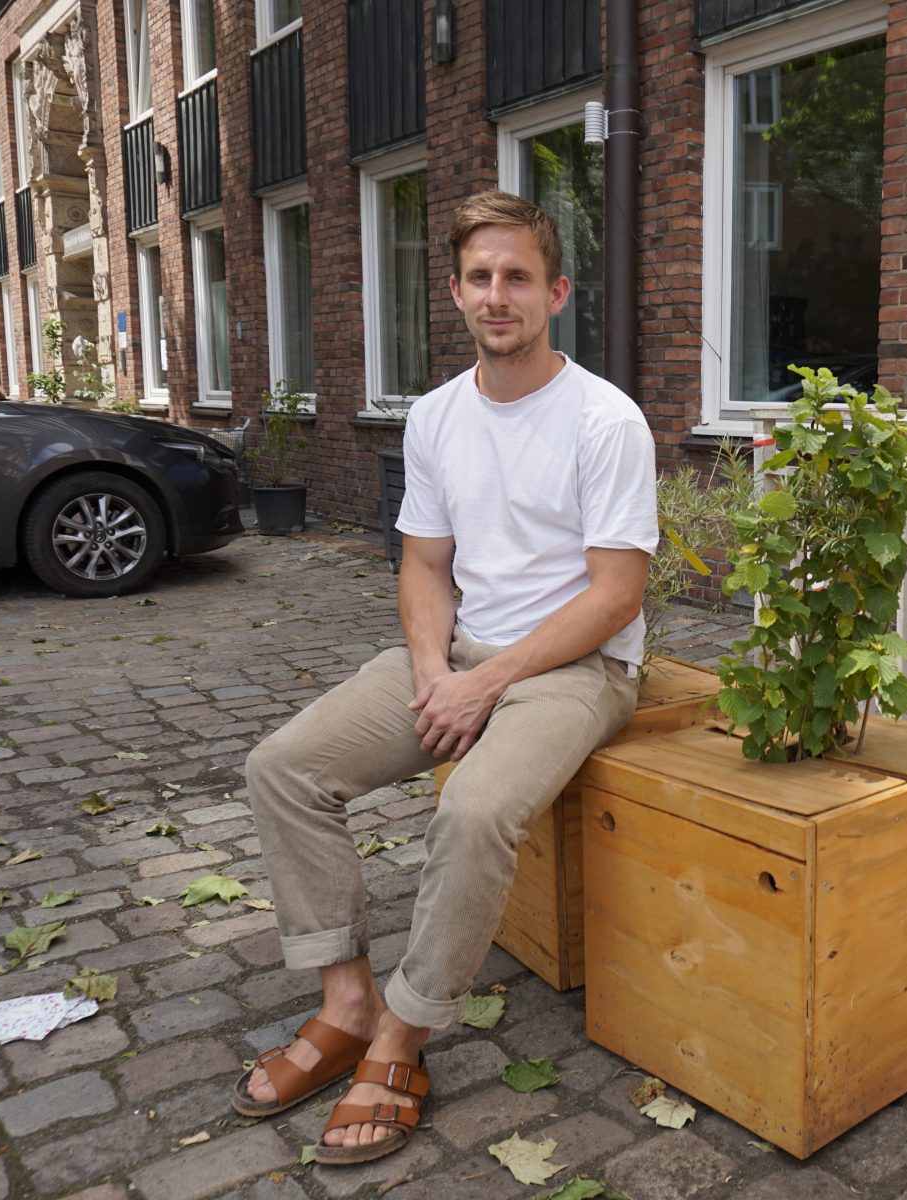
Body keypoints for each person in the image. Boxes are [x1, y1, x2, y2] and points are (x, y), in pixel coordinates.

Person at [229, 190, 656, 1166]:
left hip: (577, 669)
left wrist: (487, 682)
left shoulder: (604, 420)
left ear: (556, 292)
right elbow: (423, 565)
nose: (496, 295)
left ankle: (402, 1035)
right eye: (479, 277)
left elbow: (617, 596)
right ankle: (345, 1004)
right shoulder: (433, 417)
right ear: (455, 292)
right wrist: (434, 670)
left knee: (472, 811)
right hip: (457, 655)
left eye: (517, 278)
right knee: (282, 767)